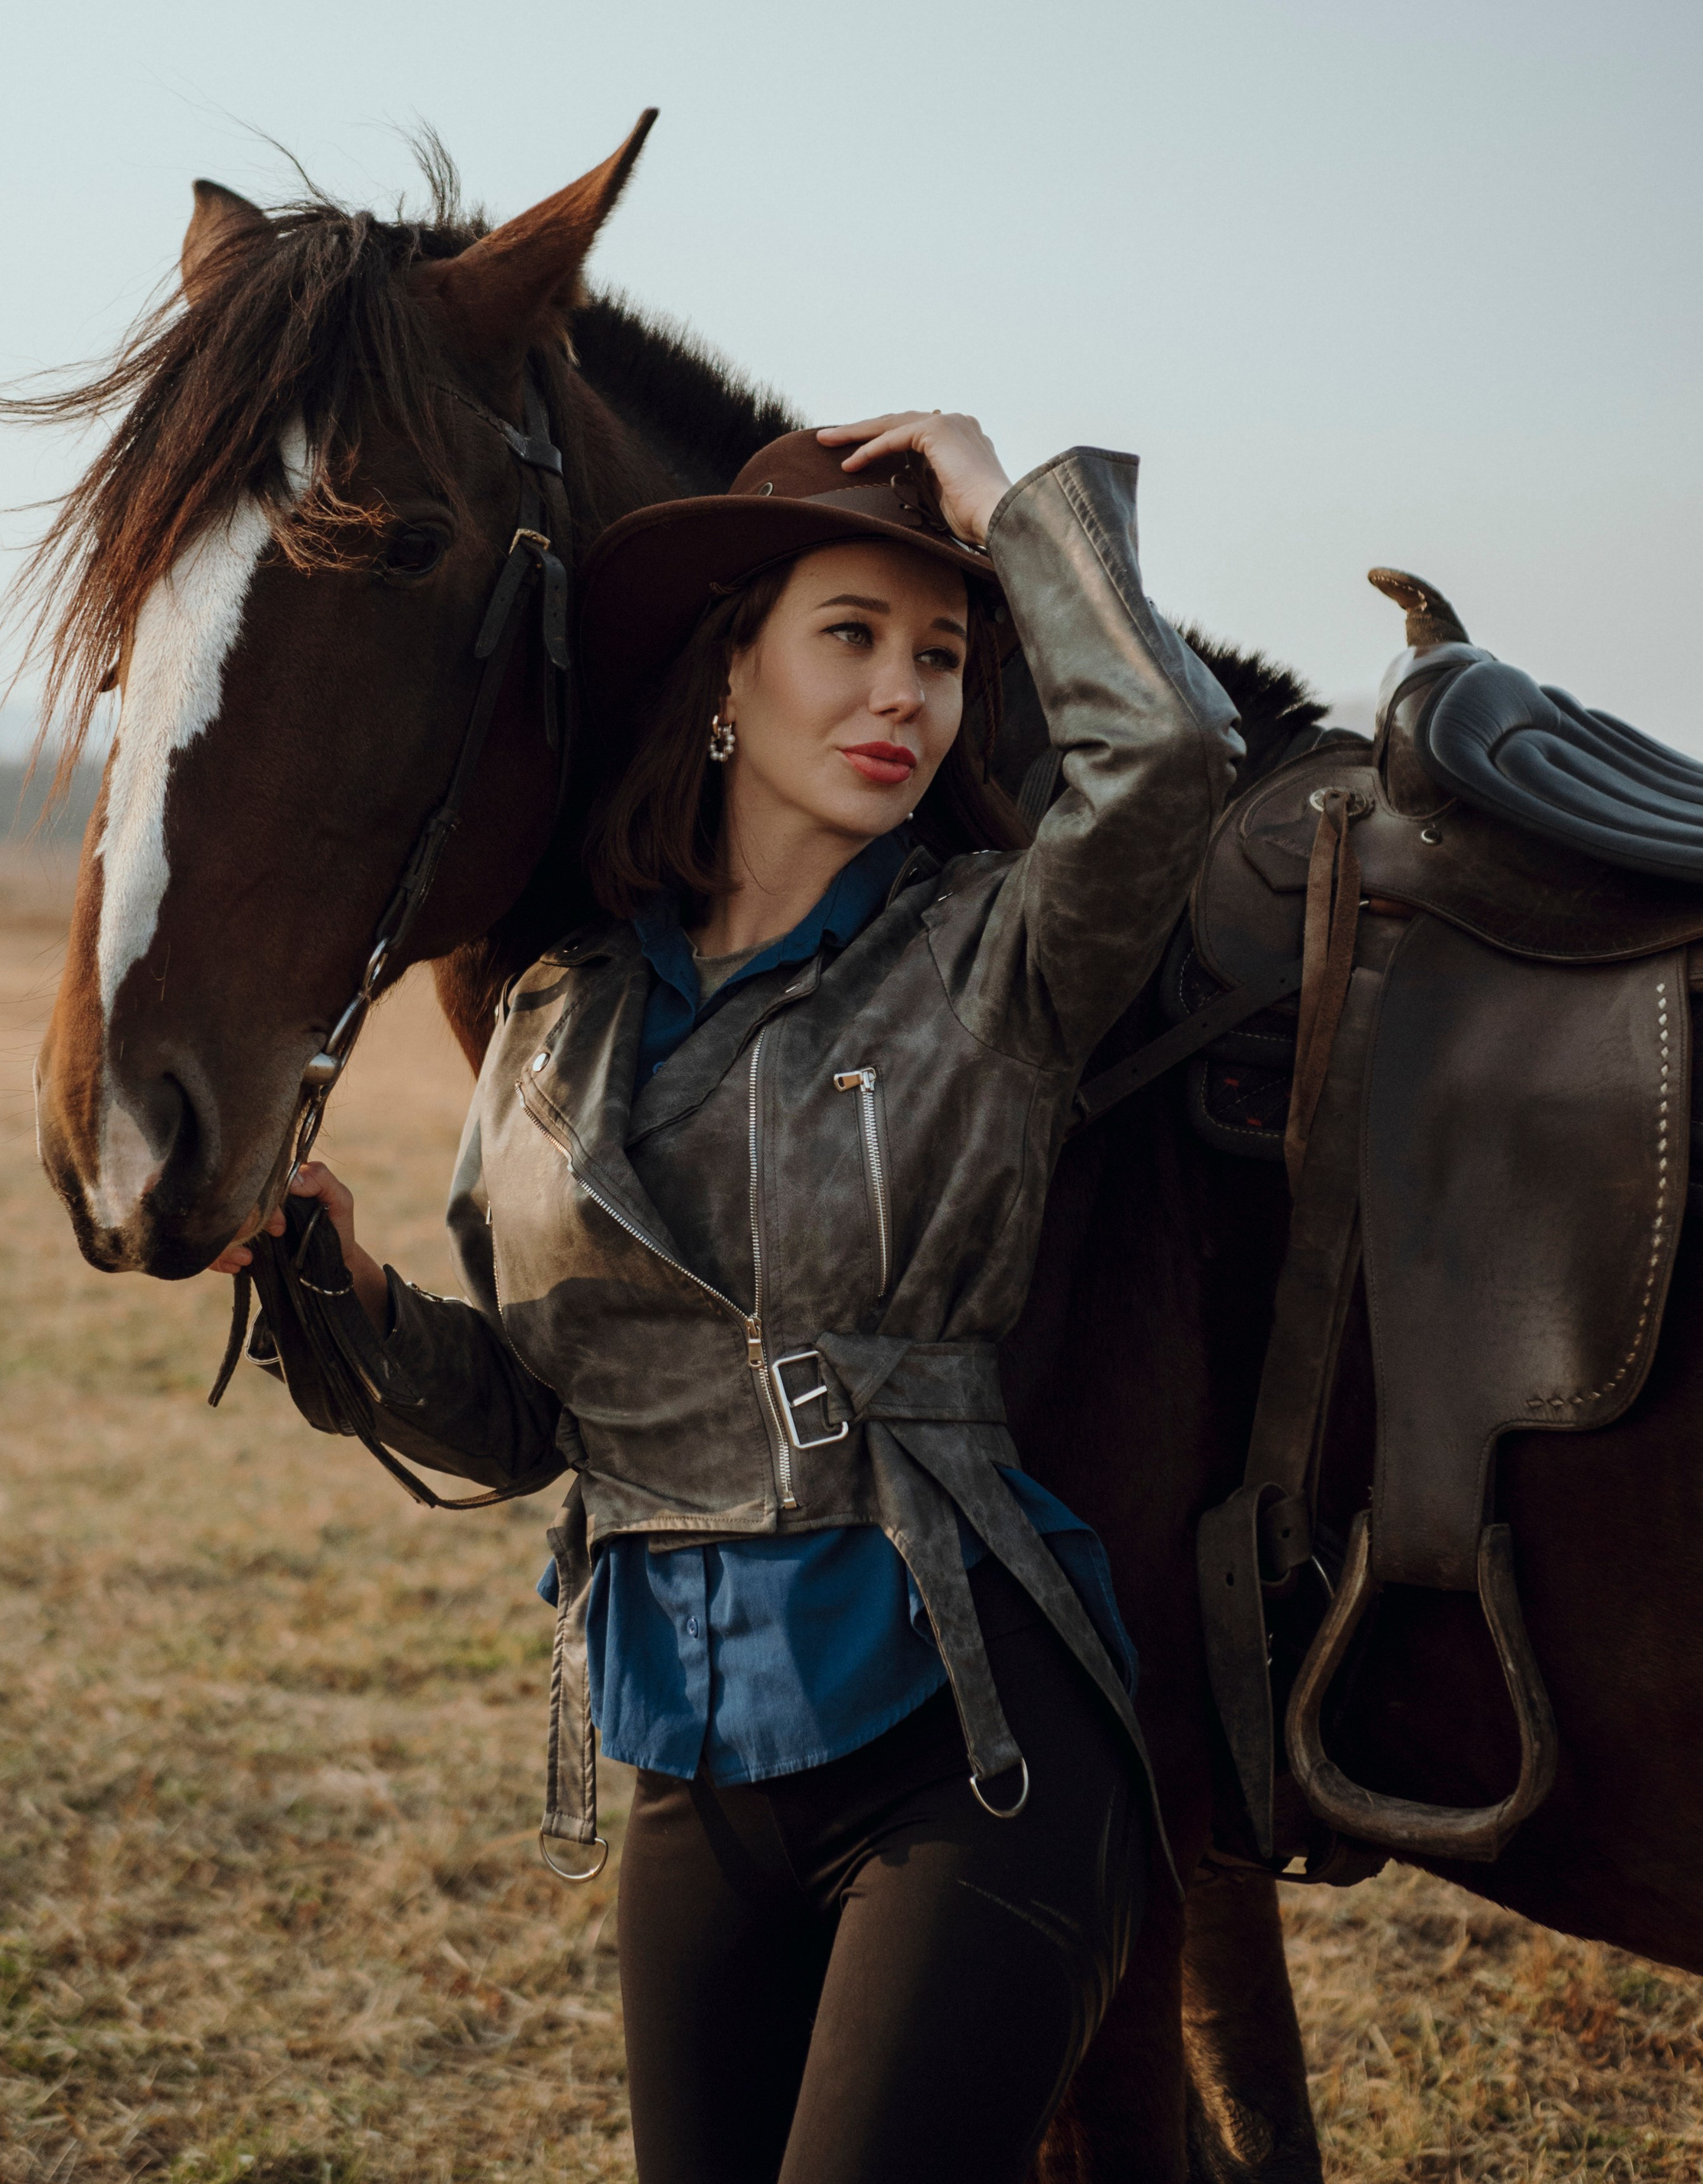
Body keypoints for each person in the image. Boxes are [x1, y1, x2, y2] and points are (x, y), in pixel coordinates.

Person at [217, 412, 1241, 2184]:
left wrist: (1011, 509)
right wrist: (342, 1289)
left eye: (940, 654)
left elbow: (1163, 762)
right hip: (689, 1780)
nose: (903, 695)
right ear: (725, 678)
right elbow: (540, 1413)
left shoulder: (995, 952)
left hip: (974, 1743)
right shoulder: (559, 1014)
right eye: (847, 635)